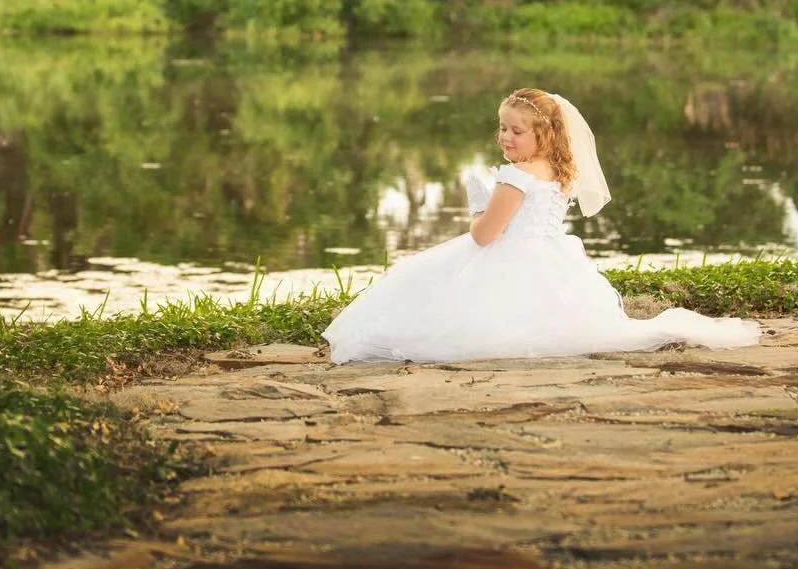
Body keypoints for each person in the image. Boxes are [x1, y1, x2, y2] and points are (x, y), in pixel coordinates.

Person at [323, 88, 762, 363]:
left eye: (517, 131)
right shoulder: (556, 170)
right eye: (502, 128)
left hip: (509, 259)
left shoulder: (516, 175)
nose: (506, 138)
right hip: (553, 261)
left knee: (420, 291)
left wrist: (477, 203)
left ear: (543, 136)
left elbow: (485, 235)